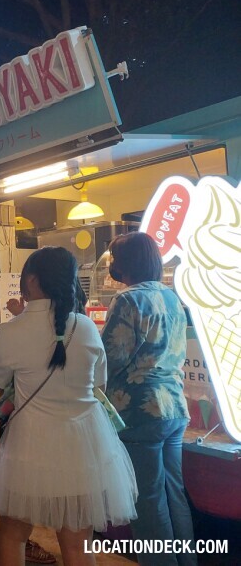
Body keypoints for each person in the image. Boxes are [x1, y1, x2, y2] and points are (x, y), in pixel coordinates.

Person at [0, 247, 137, 566]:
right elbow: (99, 386)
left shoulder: (11, 331)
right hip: (83, 446)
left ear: (31, 280)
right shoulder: (86, 328)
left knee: (12, 535)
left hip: (30, 449)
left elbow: (0, 384)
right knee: (78, 545)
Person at [101, 232, 195, 566]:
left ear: (125, 264)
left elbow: (109, 358)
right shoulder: (171, 297)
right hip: (174, 407)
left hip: (139, 412)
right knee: (174, 496)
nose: (112, 265)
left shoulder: (128, 300)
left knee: (149, 503)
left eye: (114, 259)